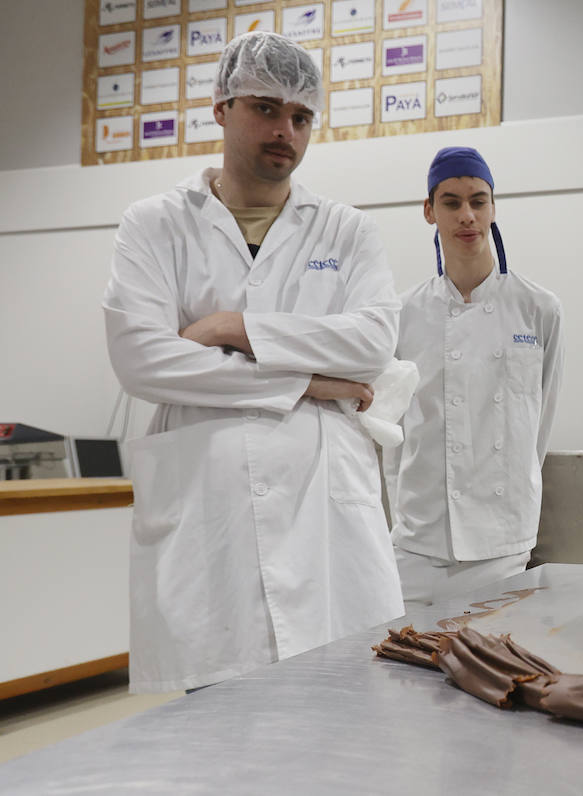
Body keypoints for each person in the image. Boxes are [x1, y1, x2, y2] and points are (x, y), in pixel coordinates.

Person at [104, 32, 404, 693]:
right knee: (216, 728)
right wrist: (306, 382)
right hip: (210, 514)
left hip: (327, 515)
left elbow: (373, 341)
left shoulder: (345, 230)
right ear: (221, 107)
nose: (285, 131)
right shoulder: (156, 224)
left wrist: (235, 328)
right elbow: (142, 359)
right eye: (266, 108)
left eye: (301, 117)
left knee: (343, 710)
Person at [384, 147, 564, 608]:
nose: (467, 216)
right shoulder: (403, 314)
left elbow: (539, 423)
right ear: (429, 211)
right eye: (451, 202)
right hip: (418, 543)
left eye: (478, 201)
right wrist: (403, 519)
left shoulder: (538, 308)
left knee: (494, 673)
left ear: (492, 207)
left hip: (503, 541)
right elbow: (391, 432)